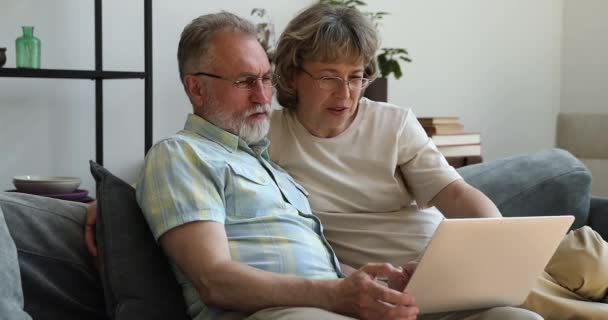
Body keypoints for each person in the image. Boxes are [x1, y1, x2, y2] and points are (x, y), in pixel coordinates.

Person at [267, 3, 608, 320]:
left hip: (446, 257)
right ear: (293, 74)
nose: (345, 92)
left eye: (356, 76)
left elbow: (456, 194)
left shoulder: (393, 123)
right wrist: (354, 281)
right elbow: (294, 243)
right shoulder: (269, 140)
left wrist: (499, 244)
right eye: (328, 77)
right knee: (540, 293)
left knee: (586, 254)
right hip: (400, 280)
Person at [134, 11, 419, 320]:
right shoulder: (180, 154)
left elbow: (320, 271)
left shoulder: (270, 167)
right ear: (196, 89)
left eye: (266, 79)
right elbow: (214, 281)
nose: (262, 96)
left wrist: (382, 283)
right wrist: (336, 295)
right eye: (245, 81)